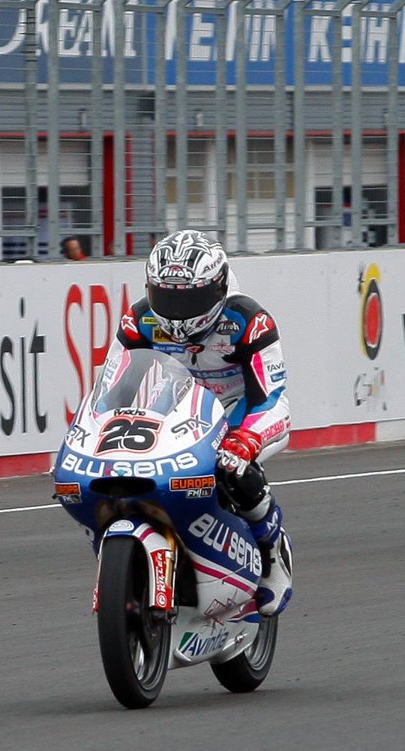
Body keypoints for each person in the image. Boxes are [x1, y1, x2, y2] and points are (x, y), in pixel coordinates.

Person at [114, 229, 293, 616]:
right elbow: (115, 388)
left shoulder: (249, 321)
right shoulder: (139, 319)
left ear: (218, 288)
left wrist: (246, 439)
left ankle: (272, 556)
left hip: (239, 409)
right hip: (176, 404)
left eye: (189, 299)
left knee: (232, 468)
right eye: (167, 297)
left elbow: (272, 399)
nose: (177, 312)